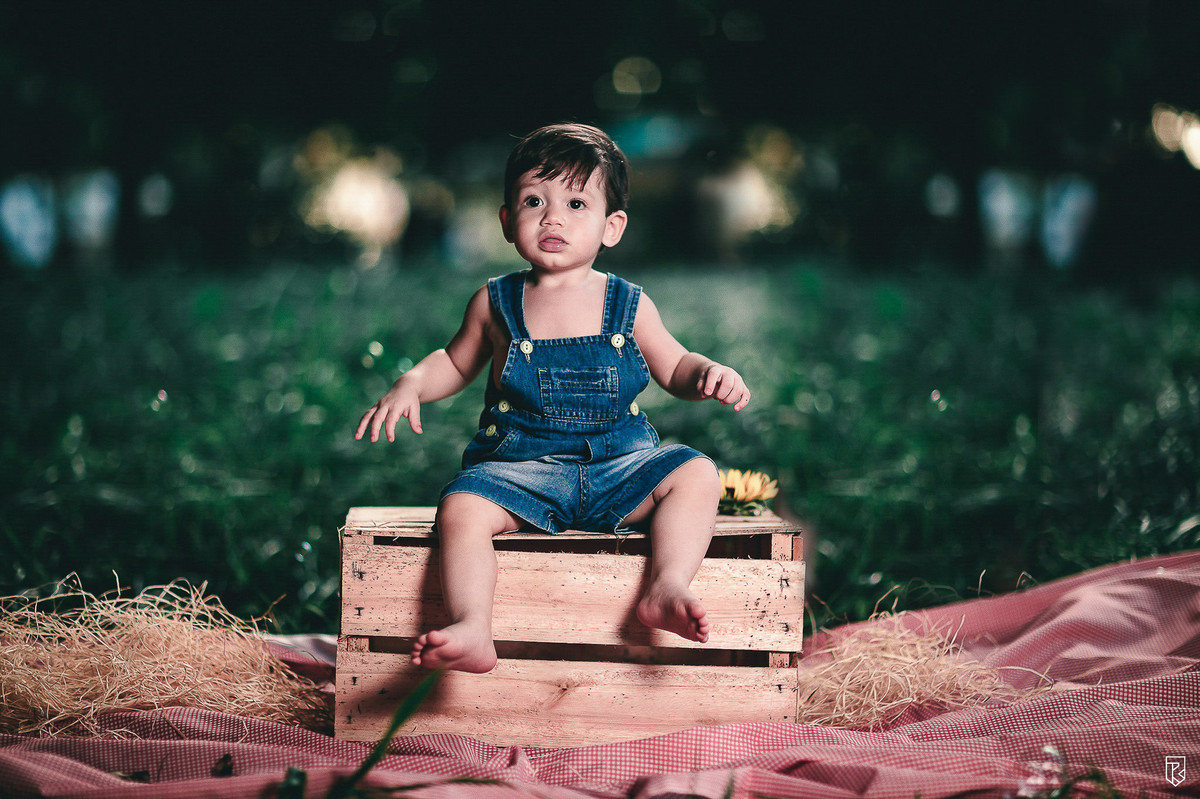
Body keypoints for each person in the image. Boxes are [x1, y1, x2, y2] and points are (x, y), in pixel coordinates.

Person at [355, 123, 750, 673]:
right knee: (462, 508)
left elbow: (675, 366)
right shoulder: (494, 302)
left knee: (697, 474)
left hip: (619, 470)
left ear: (612, 227)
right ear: (505, 220)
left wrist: (707, 372)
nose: (553, 217)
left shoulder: (629, 305)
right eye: (534, 200)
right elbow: (453, 362)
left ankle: (666, 585)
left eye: (576, 202)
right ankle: (472, 625)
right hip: (521, 474)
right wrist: (412, 384)